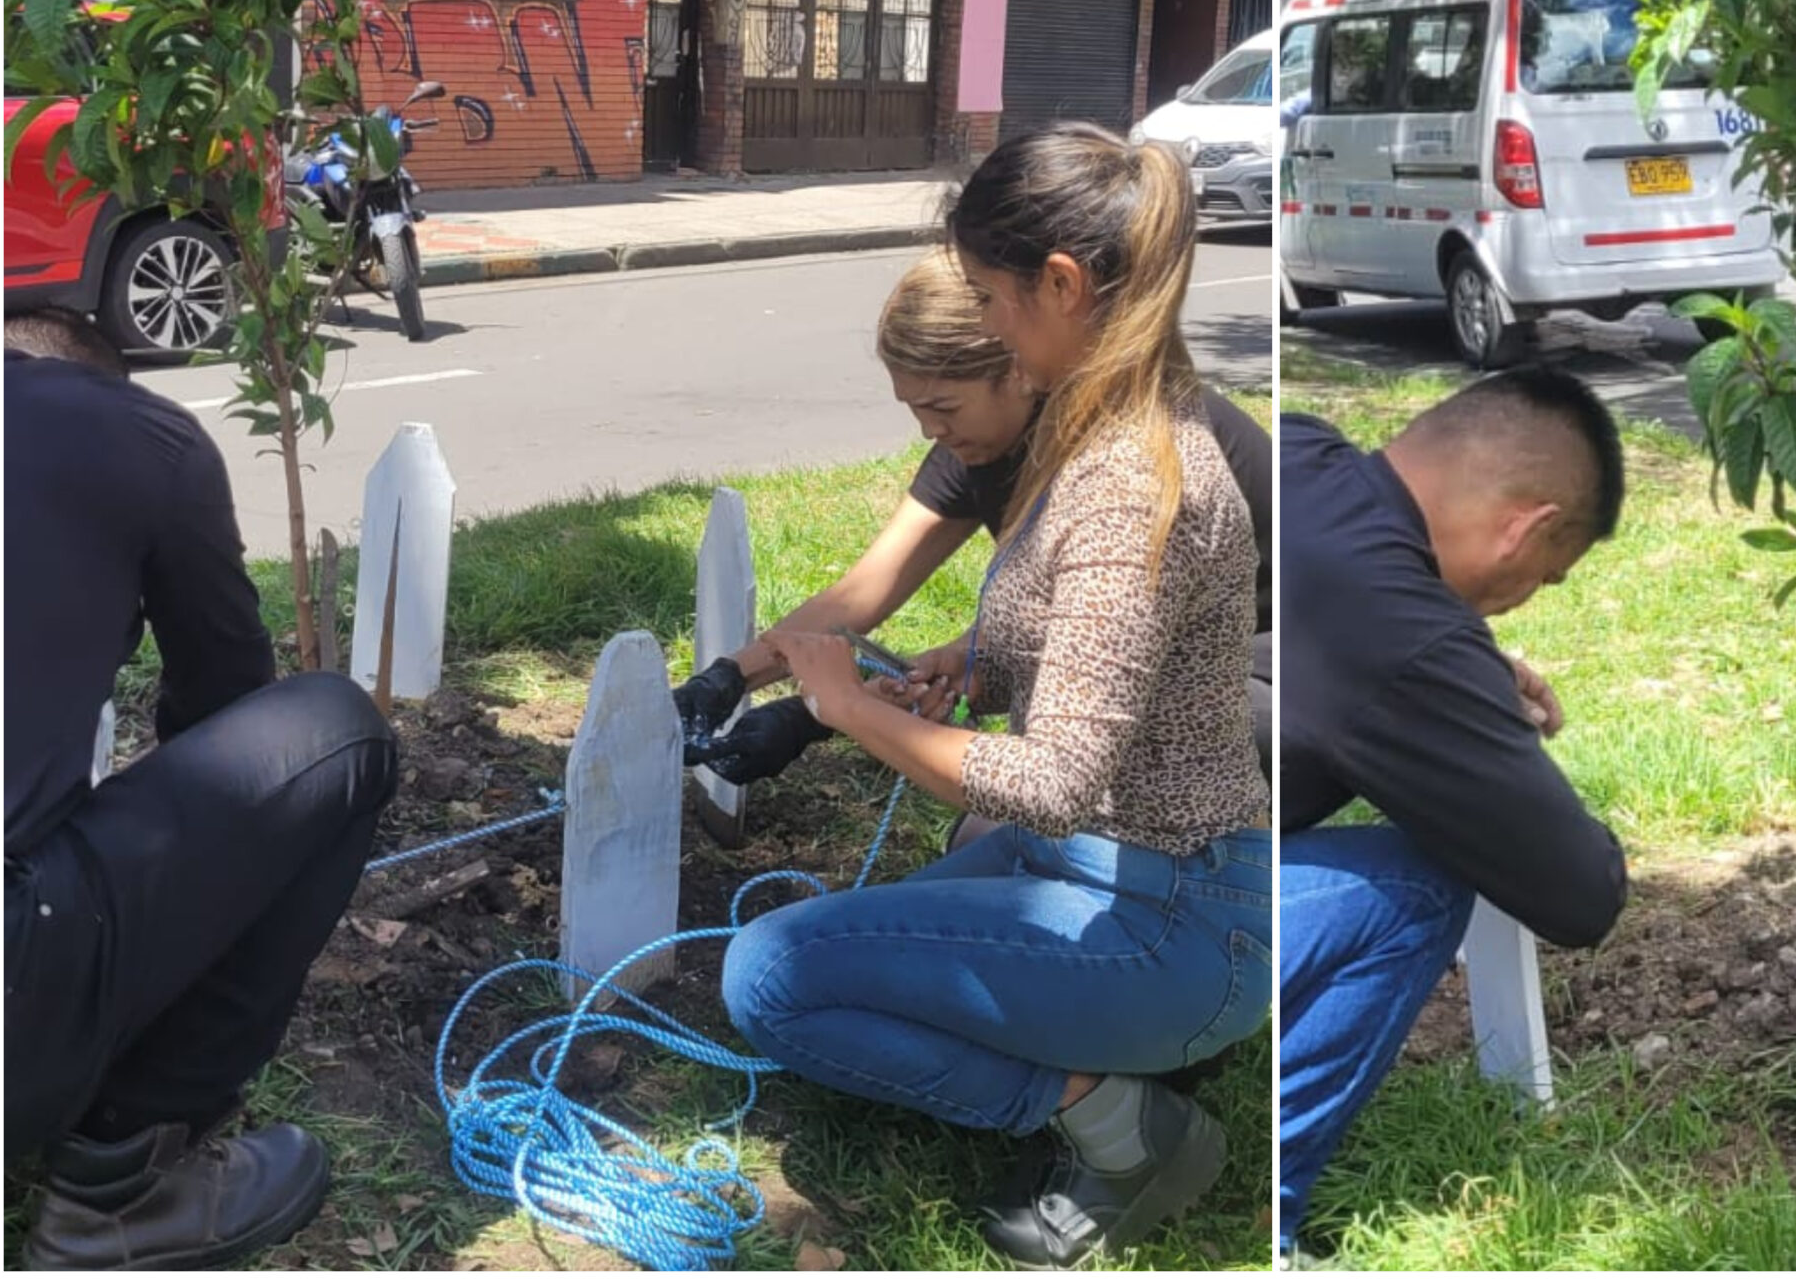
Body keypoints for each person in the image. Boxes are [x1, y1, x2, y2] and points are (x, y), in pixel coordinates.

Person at [688, 126, 1269, 1268]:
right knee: (868, 952)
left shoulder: (1124, 485)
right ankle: (1112, 1054)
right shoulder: (1108, 428)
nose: (987, 317)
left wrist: (848, 709)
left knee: (772, 976)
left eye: (995, 297)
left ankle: (1124, 1126)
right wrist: (981, 664)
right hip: (1120, 870)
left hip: (1167, 913)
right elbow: (1111, 653)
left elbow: (1053, 782)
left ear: (1060, 287)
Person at [4, 309, 399, 1271]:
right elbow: (226, 709)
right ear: (99, 375)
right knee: (334, 733)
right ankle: (121, 1182)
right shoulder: (136, 433)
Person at [672, 249, 1273, 794]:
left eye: (942, 407)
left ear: (1014, 368)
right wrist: (730, 676)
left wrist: (826, 711)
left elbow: (1099, 654)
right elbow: (861, 592)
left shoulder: (1121, 466)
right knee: (980, 839)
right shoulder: (984, 437)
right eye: (914, 408)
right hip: (1135, 658)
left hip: (1259, 679)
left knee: (1023, 815)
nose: (929, 431)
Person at [1277, 368, 1630, 1259]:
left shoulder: (1299, 449)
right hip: (1140, 900)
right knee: (1424, 885)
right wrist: (1454, 678)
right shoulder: (1411, 641)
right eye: (1545, 578)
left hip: (1030, 825)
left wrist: (1467, 670)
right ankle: (1267, 1221)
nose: (1522, 599)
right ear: (1530, 528)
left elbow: (1324, 645)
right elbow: (1580, 894)